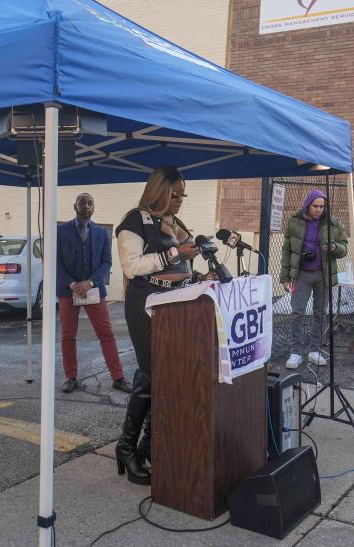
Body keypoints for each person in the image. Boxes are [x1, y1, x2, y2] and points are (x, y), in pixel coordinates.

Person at [114, 166, 203, 485]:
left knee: (167, 375)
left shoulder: (174, 222)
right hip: (145, 305)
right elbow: (131, 266)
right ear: (159, 191)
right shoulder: (134, 220)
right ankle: (126, 446)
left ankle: (149, 444)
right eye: (174, 194)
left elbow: (183, 260)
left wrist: (197, 273)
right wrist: (174, 252)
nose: (179, 200)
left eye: (183, 194)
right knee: (151, 371)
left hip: (175, 303)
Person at [56, 193, 131, 394]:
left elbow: (107, 262)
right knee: (68, 335)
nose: (86, 206)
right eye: (82, 202)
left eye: (89, 203)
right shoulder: (60, 230)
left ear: (94, 207)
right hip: (67, 290)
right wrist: (72, 284)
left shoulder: (102, 233)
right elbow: (54, 261)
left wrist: (89, 283)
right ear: (75, 206)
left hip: (94, 289)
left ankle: (118, 377)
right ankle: (70, 377)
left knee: (106, 334)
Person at [280, 189, 349, 367]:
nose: (319, 210)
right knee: (297, 313)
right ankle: (295, 352)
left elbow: (344, 248)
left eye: (322, 206)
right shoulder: (294, 221)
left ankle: (314, 350)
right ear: (307, 205)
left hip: (323, 274)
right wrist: (285, 276)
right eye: (315, 206)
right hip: (301, 273)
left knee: (320, 313)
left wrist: (334, 248)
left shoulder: (333, 223)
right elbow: (287, 250)